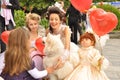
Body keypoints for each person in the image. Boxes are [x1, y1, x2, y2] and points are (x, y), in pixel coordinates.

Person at [45, 6, 80, 80]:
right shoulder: (48, 31)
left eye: (56, 19)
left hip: (66, 53)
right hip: (53, 56)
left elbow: (67, 47)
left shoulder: (65, 29)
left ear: (60, 20)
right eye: (51, 19)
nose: (53, 22)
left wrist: (63, 59)